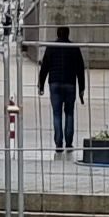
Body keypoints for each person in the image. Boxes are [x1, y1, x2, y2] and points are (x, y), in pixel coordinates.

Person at [35, 30, 89, 158]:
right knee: (69, 113)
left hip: (54, 84)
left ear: (57, 34)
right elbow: (80, 69)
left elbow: (45, 67)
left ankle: (58, 144)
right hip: (70, 84)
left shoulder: (51, 48)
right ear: (68, 34)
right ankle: (69, 144)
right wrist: (82, 88)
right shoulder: (74, 48)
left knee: (57, 114)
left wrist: (41, 85)